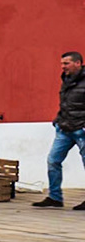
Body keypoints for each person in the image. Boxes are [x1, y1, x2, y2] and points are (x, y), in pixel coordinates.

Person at [34, 50, 85, 209]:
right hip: (64, 129)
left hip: (81, 129)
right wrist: (58, 120)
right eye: (62, 63)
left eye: (66, 63)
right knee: (53, 161)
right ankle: (55, 198)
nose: (62, 67)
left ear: (78, 63)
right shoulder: (67, 79)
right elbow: (65, 103)